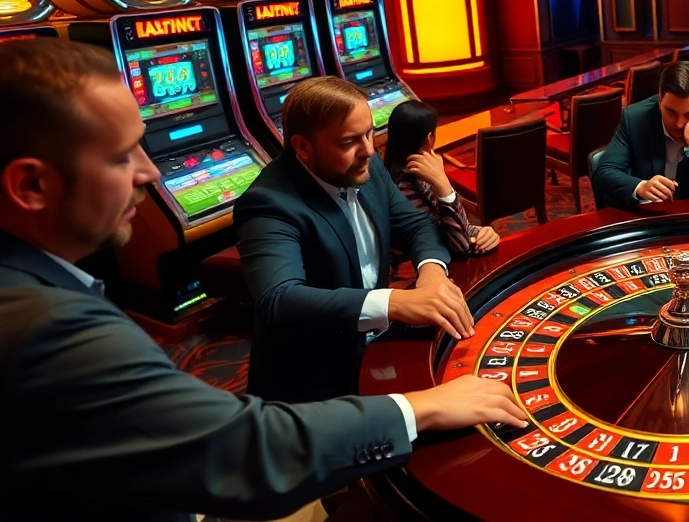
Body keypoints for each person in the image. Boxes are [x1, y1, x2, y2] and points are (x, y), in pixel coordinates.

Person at [0, 39, 527, 521]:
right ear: (32, 185)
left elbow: (414, 225)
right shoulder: (42, 325)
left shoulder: (42, 285)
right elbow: (240, 444)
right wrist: (424, 405)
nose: (152, 172)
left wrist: (431, 274)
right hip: (302, 396)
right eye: (121, 156)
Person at [234, 77, 472, 403]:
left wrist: (431, 272)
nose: (369, 150)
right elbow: (280, 300)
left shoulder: (369, 164)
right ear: (303, 147)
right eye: (348, 142)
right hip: (310, 382)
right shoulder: (269, 203)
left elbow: (417, 225)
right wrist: (395, 302)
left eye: (369, 133)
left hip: (374, 349)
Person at [591, 60, 689, 210]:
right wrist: (640, 187)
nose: (679, 124)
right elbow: (603, 173)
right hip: (647, 217)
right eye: (671, 112)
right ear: (660, 98)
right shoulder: (635, 118)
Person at [383, 100, 501, 256]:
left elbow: (454, 227)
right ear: (429, 138)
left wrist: (485, 233)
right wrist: (442, 183)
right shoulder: (407, 187)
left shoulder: (395, 174)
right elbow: (460, 244)